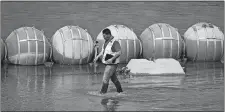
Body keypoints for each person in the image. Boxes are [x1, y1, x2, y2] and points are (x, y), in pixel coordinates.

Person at [93, 28, 123, 94]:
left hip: (112, 64)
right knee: (114, 79)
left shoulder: (115, 42)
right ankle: (120, 92)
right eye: (103, 36)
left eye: (104, 36)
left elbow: (119, 52)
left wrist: (111, 59)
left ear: (108, 34)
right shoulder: (106, 42)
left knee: (105, 78)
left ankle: (103, 93)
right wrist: (97, 57)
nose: (103, 37)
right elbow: (103, 51)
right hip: (107, 64)